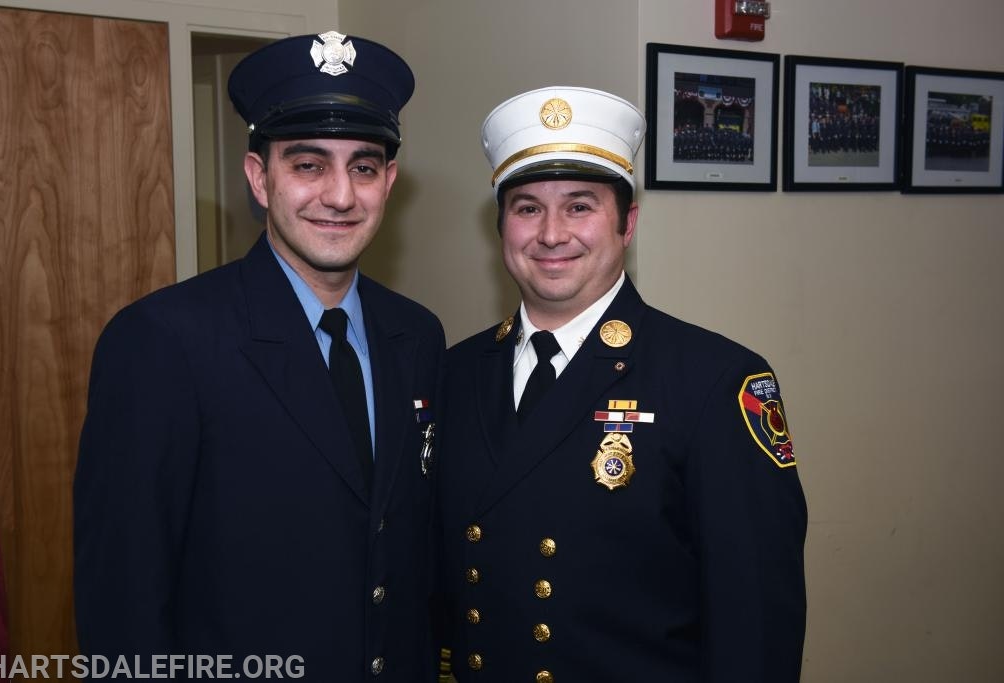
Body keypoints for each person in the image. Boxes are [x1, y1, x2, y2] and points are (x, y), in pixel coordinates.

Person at [74, 31, 444, 682]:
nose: (339, 194)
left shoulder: (416, 335)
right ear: (259, 178)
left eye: (363, 166)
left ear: (388, 181)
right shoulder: (163, 340)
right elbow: (123, 597)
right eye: (308, 164)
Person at [437, 86, 806, 682]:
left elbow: (756, 619)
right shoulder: (456, 372)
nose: (551, 234)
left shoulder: (714, 380)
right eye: (528, 207)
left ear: (627, 221)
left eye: (580, 206)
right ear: (501, 225)